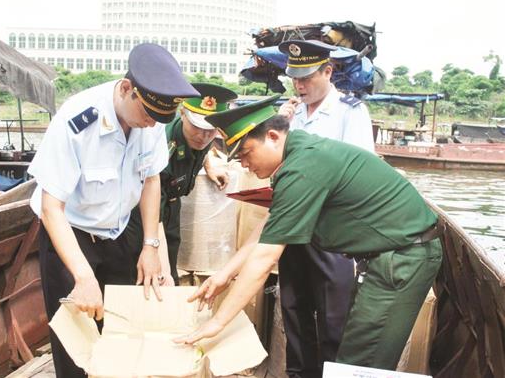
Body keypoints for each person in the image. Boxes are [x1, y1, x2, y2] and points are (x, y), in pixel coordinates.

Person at [175, 96, 442, 372]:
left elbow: (266, 258)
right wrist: (225, 273)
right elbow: (270, 225)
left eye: (246, 154)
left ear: (273, 136)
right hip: (386, 256)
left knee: (362, 362)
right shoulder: (298, 156)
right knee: (354, 354)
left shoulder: (303, 167)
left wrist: (218, 322)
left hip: (402, 259)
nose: (243, 164)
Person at [27, 43, 200, 378]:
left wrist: (151, 246)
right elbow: (51, 208)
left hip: (119, 230)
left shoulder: (150, 120)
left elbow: (151, 180)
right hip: (71, 234)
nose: (152, 126)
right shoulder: (77, 120)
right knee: (75, 341)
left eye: (158, 119)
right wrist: (82, 275)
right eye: (148, 116)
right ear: (126, 89)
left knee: (122, 329)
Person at [271, 39, 376, 377]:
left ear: (328, 71)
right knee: (295, 312)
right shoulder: (292, 114)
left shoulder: (350, 111)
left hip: (333, 234)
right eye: (294, 78)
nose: (299, 86)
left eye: (307, 78)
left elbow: (362, 175)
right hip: (295, 227)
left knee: (334, 320)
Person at [123, 83, 237, 285]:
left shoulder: (202, 137)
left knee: (170, 262)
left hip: (172, 204)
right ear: (182, 114)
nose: (203, 136)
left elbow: (203, 147)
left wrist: (209, 166)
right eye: (197, 127)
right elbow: (154, 212)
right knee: (151, 275)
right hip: (144, 210)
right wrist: (163, 269)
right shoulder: (164, 147)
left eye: (210, 130)